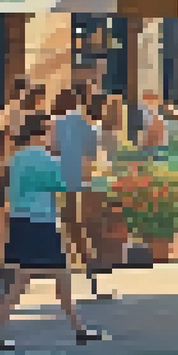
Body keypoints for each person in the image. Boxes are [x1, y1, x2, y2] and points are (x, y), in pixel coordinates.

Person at [0, 112, 106, 348]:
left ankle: (77, 327)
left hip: (19, 222)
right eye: (51, 131)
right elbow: (65, 184)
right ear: (40, 133)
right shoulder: (45, 160)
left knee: (26, 278)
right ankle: (77, 328)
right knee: (55, 277)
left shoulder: (15, 159)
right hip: (41, 224)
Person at [53, 84, 105, 298]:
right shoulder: (88, 126)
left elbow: (52, 149)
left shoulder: (55, 123)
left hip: (52, 180)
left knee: (55, 224)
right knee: (76, 226)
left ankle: (60, 268)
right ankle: (89, 268)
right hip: (75, 183)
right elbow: (90, 159)